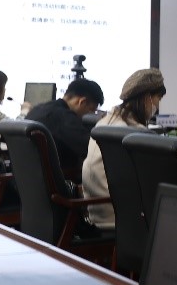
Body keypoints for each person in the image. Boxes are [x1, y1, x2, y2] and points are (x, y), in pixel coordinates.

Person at [83, 68, 166, 228]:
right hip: (121, 219)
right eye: (158, 98)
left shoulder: (105, 122)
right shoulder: (134, 135)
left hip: (97, 212)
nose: (157, 105)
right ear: (147, 98)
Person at [25, 77, 104, 171]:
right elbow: (92, 149)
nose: (90, 114)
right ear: (82, 102)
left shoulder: (37, 109)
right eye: (91, 110)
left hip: (26, 175)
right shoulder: (64, 118)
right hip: (60, 177)